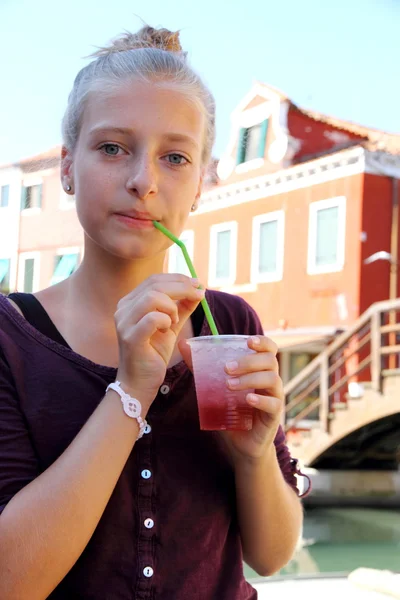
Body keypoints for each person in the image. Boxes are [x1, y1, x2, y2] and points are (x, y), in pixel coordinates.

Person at [0, 25, 309, 600]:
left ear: (199, 184)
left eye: (174, 157)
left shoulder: (232, 324)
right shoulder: (10, 337)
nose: (144, 181)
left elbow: (272, 554)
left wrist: (256, 455)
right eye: (113, 148)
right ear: (67, 167)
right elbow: (13, 581)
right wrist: (132, 388)